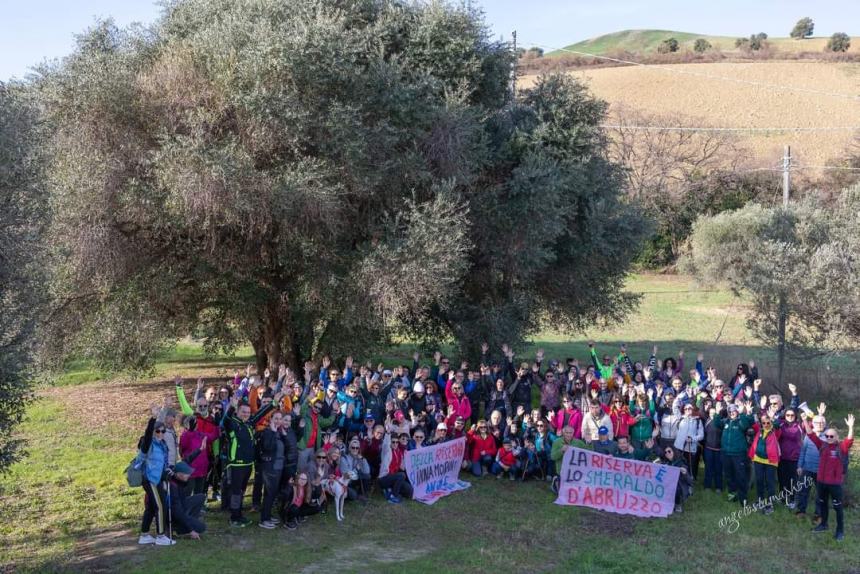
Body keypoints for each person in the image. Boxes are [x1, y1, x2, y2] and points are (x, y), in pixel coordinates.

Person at [221, 394, 275, 527]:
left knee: (241, 491)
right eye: (243, 412)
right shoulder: (232, 423)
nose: (246, 414)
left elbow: (261, 414)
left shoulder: (249, 423)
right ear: (238, 412)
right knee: (235, 492)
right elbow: (226, 420)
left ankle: (239, 514)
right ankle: (234, 517)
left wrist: (273, 403)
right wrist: (231, 407)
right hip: (235, 465)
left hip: (248, 464)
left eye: (248, 412)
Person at [805, 413, 854, 541]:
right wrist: (805, 420)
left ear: (837, 437)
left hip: (835, 484)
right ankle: (823, 525)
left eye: (831, 436)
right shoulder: (822, 445)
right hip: (821, 482)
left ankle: (840, 531)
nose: (829, 437)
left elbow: (849, 441)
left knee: (838, 508)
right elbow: (810, 435)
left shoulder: (841, 447)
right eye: (827, 436)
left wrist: (851, 427)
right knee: (822, 504)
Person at [138, 406, 174, 546]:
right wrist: (153, 418)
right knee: (160, 506)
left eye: (163, 431)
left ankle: (144, 535)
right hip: (149, 479)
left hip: (158, 479)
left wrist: (168, 472)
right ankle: (160, 536)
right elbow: (147, 434)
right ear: (153, 432)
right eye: (157, 431)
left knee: (152, 508)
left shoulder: (162, 445)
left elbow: (163, 463)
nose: (160, 433)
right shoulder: (148, 444)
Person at [714, 402, 754, 505]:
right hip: (726, 453)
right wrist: (718, 413)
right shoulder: (726, 422)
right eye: (730, 411)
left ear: (737, 412)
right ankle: (732, 494)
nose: (732, 413)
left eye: (734, 411)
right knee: (729, 475)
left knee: (741, 476)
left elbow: (746, 425)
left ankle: (743, 498)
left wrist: (743, 413)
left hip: (738, 454)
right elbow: (716, 423)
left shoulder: (740, 422)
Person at [257, 411, 286, 529]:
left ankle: (268, 515)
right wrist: (273, 432)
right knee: (269, 493)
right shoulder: (268, 432)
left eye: (280, 419)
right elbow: (267, 447)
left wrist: (282, 434)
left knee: (273, 493)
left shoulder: (278, 433)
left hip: (278, 466)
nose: (278, 421)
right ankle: (264, 520)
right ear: (270, 419)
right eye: (276, 418)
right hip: (270, 467)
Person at [748, 412, 781, 515]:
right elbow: (752, 425)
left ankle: (770, 503)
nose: (766, 424)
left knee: (770, 483)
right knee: (759, 481)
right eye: (764, 423)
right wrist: (750, 412)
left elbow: (777, 425)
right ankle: (760, 500)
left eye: (768, 423)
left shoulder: (774, 431)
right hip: (758, 460)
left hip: (770, 461)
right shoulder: (759, 430)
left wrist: (772, 419)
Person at [796, 414, 827, 519]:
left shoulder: (828, 436)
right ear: (812, 424)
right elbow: (803, 452)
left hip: (821, 471)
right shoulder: (808, 437)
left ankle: (818, 514)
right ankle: (801, 511)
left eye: (822, 422)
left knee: (820, 494)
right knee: (803, 491)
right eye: (817, 422)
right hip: (807, 469)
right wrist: (800, 466)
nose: (820, 424)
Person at [777, 406, 803, 509]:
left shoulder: (799, 426)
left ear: (795, 416)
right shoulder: (781, 424)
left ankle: (792, 499)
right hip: (782, 457)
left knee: (793, 480)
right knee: (782, 479)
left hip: (794, 457)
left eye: (792, 415)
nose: (790, 417)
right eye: (788, 415)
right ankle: (783, 498)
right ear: (785, 415)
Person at [378, 431, 413, 503]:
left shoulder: (399, 452)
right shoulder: (387, 451)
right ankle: (393, 496)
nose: (395, 444)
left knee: (409, 491)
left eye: (397, 442)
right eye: (393, 442)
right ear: (390, 442)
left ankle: (390, 489)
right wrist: (387, 433)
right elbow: (385, 444)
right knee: (401, 475)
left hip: (394, 478)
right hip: (384, 478)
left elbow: (403, 468)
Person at [674, 401, 704, 481]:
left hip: (690, 448)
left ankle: (688, 483)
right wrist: (679, 398)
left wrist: (692, 438)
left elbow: (701, 435)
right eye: (686, 409)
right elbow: (674, 407)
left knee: (689, 466)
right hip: (679, 447)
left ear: (693, 409)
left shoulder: (697, 421)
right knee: (678, 464)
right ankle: (678, 481)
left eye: (689, 408)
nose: (687, 410)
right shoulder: (680, 418)